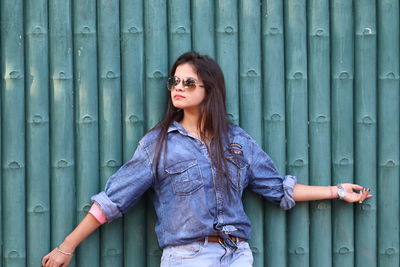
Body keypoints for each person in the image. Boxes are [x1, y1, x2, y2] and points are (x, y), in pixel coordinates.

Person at [42, 51, 372, 267]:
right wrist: (66, 247)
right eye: (175, 81)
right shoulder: (158, 144)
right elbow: (113, 200)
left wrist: (337, 191)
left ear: (209, 89)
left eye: (189, 82)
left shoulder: (237, 140)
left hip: (237, 254)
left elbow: (278, 188)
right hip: (188, 256)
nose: (178, 87)